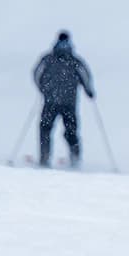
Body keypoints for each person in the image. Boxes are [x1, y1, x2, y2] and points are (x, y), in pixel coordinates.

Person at [32, 31, 95, 168]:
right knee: (71, 131)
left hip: (51, 101)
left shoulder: (48, 58)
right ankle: (75, 159)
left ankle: (44, 158)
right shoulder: (75, 60)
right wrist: (89, 91)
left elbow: (36, 74)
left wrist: (43, 89)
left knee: (45, 129)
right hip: (69, 102)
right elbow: (86, 76)